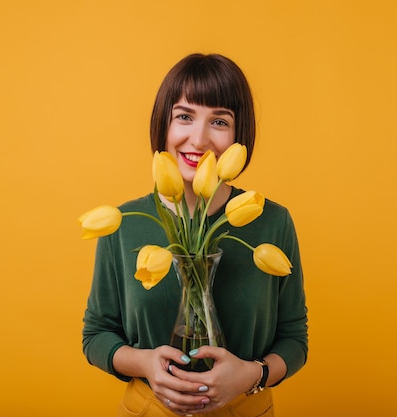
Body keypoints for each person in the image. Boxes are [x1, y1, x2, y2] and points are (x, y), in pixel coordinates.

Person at [82, 53, 308, 417]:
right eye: (184, 116)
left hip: (246, 410)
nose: (198, 139)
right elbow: (97, 335)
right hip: (149, 410)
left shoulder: (271, 221)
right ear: (163, 124)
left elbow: (295, 337)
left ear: (239, 135)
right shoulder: (123, 223)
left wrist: (254, 374)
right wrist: (145, 364)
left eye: (219, 121)